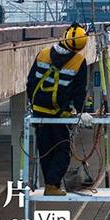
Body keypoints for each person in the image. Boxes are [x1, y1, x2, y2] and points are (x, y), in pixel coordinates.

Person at [26, 24, 88, 196]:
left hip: (39, 111)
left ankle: (50, 186)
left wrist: (33, 103)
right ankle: (52, 185)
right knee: (63, 150)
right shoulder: (78, 61)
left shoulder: (43, 53)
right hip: (59, 114)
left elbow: (31, 82)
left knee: (45, 149)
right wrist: (82, 111)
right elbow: (79, 91)